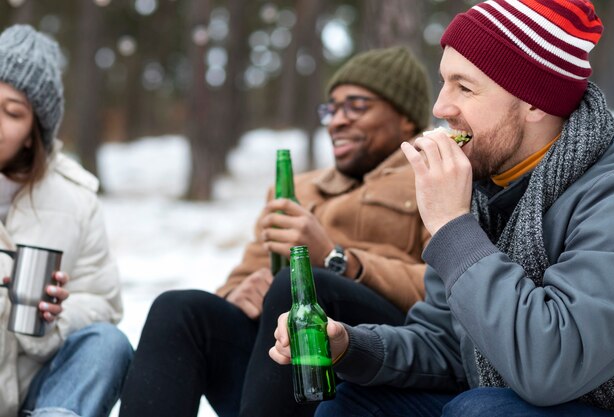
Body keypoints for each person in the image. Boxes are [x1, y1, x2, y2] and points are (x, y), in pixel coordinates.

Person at [270, 1, 614, 416]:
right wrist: (349, 346)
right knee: (352, 404)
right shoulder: (482, 187)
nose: (440, 108)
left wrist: (452, 226)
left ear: (534, 102)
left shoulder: (613, 194)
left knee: (483, 411)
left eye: (465, 87)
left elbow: (553, 364)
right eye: (444, 82)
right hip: (516, 392)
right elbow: (447, 344)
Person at [119, 46, 432, 417]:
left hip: (373, 362)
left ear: (406, 118)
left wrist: (336, 259)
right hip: (275, 376)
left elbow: (440, 292)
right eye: (331, 109)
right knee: (180, 309)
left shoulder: (429, 177)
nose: (337, 121)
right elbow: (239, 278)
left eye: (356, 106)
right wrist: (238, 293)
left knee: (301, 286)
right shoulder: (297, 189)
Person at [0, 24, 133, 417]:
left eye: (12, 112)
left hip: (35, 390)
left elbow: (105, 303)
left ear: (32, 133)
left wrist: (55, 314)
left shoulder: (75, 200)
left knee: (108, 344)